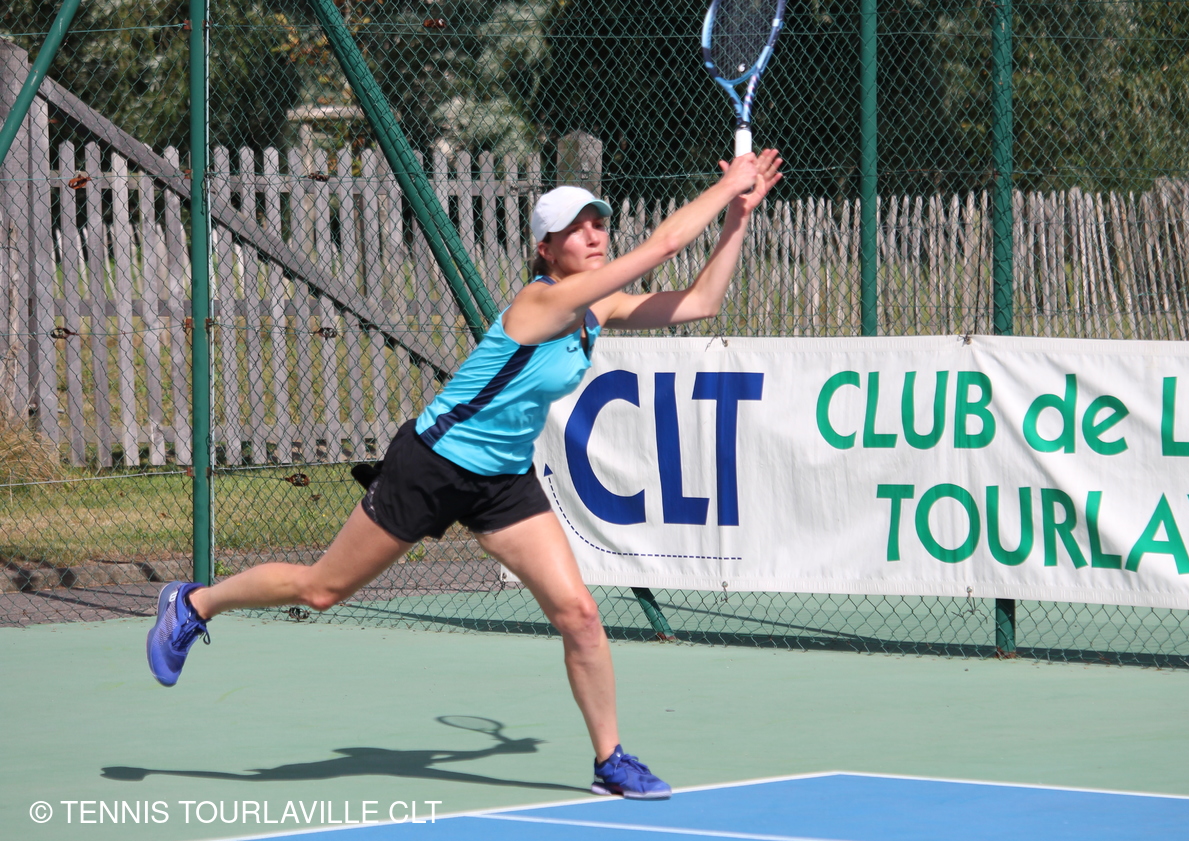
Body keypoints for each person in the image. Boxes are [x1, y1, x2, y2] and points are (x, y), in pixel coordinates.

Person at [146, 149, 784, 800]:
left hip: (503, 480)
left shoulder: (600, 309)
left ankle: (610, 760)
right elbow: (663, 245)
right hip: (434, 464)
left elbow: (702, 301)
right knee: (321, 590)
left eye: (599, 224)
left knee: (579, 615)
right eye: (577, 229)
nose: (595, 236)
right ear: (545, 249)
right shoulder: (541, 303)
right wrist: (726, 185)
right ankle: (193, 604)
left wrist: (737, 217)